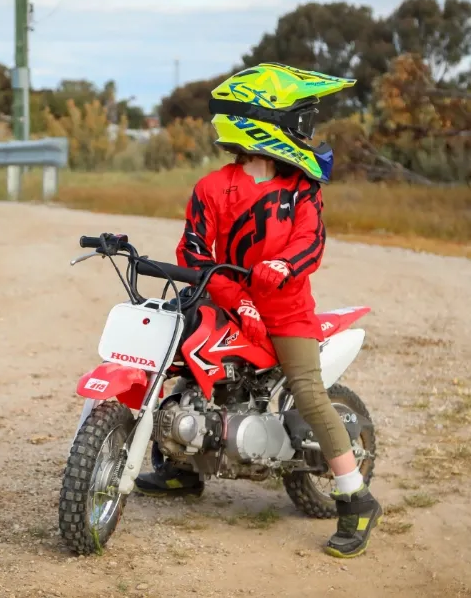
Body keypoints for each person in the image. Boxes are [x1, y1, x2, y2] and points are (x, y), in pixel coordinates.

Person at [134, 62, 383, 559]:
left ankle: (355, 495)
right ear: (266, 121)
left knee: (310, 393)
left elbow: (311, 243)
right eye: (300, 120)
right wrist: (236, 297)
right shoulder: (211, 188)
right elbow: (194, 253)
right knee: (185, 365)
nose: (306, 132)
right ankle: (182, 467)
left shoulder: (300, 188)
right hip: (227, 301)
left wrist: (282, 267)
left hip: (286, 310)